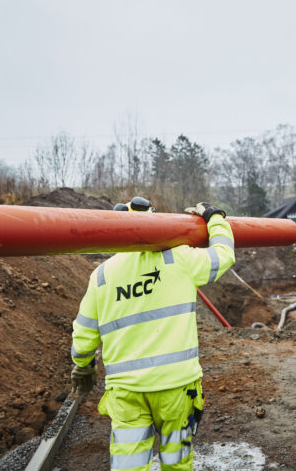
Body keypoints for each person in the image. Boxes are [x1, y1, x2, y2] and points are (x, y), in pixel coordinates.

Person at [69, 197, 235, 471]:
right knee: (177, 464)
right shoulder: (180, 258)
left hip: (126, 394)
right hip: (177, 390)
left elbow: (84, 333)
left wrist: (83, 365)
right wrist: (214, 218)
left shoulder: (101, 276)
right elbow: (224, 255)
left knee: (129, 466)